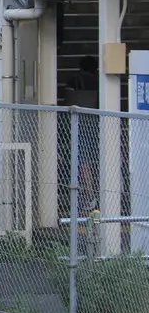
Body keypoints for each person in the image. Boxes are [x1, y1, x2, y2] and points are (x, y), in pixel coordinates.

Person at [66, 56, 100, 214]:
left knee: (83, 162)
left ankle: (89, 196)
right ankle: (95, 196)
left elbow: (67, 99)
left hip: (78, 123)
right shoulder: (100, 81)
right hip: (96, 122)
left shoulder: (75, 81)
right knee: (93, 160)